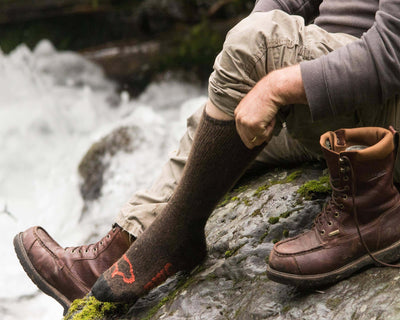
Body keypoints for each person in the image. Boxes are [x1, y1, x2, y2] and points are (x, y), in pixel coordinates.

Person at [13, 0, 400, 312]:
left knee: (258, 47)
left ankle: (175, 236)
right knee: (215, 117)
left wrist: (269, 76)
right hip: (338, 103)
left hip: (382, 105)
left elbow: (390, 52)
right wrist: (241, 59)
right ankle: (121, 245)